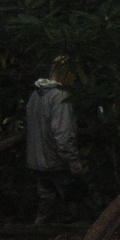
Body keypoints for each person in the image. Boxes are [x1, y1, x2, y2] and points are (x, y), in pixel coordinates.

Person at [25, 56, 85, 224]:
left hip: (36, 160)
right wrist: (73, 162)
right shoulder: (60, 96)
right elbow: (63, 133)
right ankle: (79, 235)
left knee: (46, 199)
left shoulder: (35, 95)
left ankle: (39, 231)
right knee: (73, 199)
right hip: (55, 160)